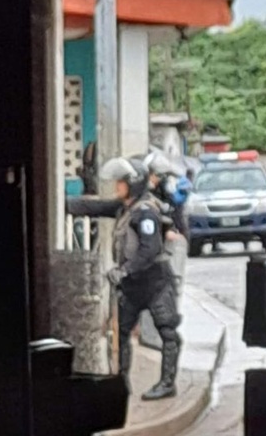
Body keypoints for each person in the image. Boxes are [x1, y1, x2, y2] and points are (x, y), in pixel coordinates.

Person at [66, 157, 182, 401]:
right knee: (122, 333)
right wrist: (60, 202)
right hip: (131, 287)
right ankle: (121, 384)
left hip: (155, 282)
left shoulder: (146, 212)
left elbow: (149, 249)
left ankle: (167, 383)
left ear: (134, 183)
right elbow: (94, 208)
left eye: (121, 182)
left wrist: (125, 270)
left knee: (167, 331)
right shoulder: (124, 207)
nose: (117, 186)